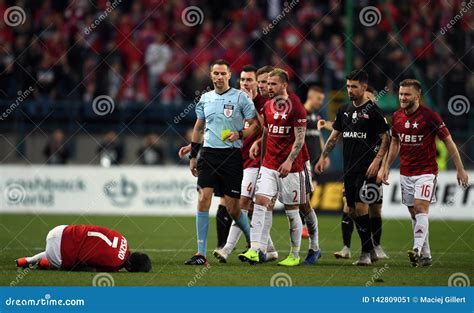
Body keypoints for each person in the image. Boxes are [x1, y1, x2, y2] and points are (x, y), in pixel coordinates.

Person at [378, 79, 469, 267]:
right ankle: (426, 254)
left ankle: (417, 249)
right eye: (401, 94)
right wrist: (386, 166)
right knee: (414, 214)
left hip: (426, 172)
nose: (402, 98)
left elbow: (449, 142)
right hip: (405, 172)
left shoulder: (430, 117)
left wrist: (460, 169)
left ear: (417, 96)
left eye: (406, 94)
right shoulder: (396, 117)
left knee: (421, 208)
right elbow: (395, 142)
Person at [185, 59, 259, 266]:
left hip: (231, 157)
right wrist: (193, 155)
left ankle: (253, 244)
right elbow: (199, 128)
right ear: (211, 75)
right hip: (208, 155)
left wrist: (240, 134)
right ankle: (201, 254)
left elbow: (255, 125)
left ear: (229, 75)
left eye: (222, 74)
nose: (218, 77)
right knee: (203, 199)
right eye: (215, 73)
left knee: (234, 209)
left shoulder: (241, 98)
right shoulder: (205, 99)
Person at [315, 70, 390, 266]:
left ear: (364, 87)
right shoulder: (344, 110)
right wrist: (323, 156)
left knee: (362, 206)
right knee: (351, 209)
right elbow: (335, 136)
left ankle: (366, 253)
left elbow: (386, 138)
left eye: (354, 86)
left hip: (368, 169)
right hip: (349, 169)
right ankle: (370, 249)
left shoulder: (374, 111)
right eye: (348, 86)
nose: (350, 90)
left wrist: (378, 161)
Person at [239, 68, 308, 267]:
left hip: (290, 168)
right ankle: (255, 249)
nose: (268, 87)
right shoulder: (268, 106)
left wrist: (288, 161)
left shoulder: (296, 107)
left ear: (284, 85)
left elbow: (300, 139)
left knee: (291, 210)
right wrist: (260, 148)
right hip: (269, 165)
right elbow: (267, 133)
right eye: (268, 84)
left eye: (273, 84)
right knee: (260, 202)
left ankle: (294, 254)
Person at [213, 65, 278, 263]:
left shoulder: (264, 104)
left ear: (257, 84)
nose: (246, 83)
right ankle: (269, 249)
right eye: (243, 80)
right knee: (250, 208)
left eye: (249, 80)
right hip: (237, 161)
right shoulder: (233, 101)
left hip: (258, 163)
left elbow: (266, 128)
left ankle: (227, 249)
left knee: (245, 205)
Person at [16, 224, 152, 272]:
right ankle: (45, 263)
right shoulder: (115, 264)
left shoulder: (122, 238)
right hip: (57, 255)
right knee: (73, 263)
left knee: (79, 242)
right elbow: (89, 268)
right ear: (131, 268)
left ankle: (27, 260)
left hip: (59, 231)